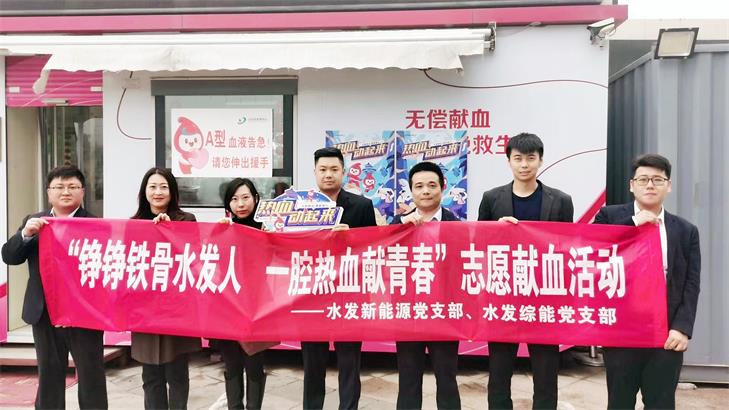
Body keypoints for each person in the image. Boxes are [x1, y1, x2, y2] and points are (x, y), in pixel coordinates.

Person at [594, 154, 700, 410]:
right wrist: (633, 224)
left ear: (668, 185)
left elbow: (691, 283)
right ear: (632, 185)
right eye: (643, 179)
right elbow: (594, 249)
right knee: (619, 403)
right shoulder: (609, 216)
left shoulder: (685, 231)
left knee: (661, 403)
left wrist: (682, 328)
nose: (650, 185)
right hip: (621, 332)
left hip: (665, 334)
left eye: (657, 179)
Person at [477, 133, 573, 410]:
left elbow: (567, 246)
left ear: (540, 161)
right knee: (499, 371)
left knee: (546, 372)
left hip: (544, 297)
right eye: (518, 158)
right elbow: (478, 245)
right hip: (503, 296)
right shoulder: (492, 198)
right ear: (508, 161)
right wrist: (497, 231)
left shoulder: (561, 200)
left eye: (531, 158)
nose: (524, 165)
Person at [2, 165, 108, 409]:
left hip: (84, 315)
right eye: (59, 187)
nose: (65, 192)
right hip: (44, 313)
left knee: (91, 374)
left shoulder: (96, 224)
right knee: (49, 373)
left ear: (83, 192)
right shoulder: (35, 222)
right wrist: (25, 235)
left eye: (72, 186)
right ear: (49, 192)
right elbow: (10, 256)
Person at [301, 147, 376, 410]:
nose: (328, 175)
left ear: (343, 172)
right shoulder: (302, 207)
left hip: (349, 294)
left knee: (349, 363)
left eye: (334, 169)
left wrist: (351, 239)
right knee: (312, 365)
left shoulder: (362, 206)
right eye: (323, 169)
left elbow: (374, 250)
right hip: (311, 295)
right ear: (314, 172)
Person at [130, 167, 201, 410]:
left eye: (163, 187)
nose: (158, 192)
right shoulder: (134, 223)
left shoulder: (186, 220)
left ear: (172, 192)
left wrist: (171, 231)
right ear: (144, 191)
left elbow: (194, 258)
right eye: (152, 187)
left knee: (177, 374)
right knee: (151, 376)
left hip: (176, 309)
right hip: (145, 310)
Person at [392, 161, 461, 410]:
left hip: (444, 312)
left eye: (432, 185)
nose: (426, 191)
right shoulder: (398, 223)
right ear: (411, 190)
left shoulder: (456, 225)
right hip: (409, 313)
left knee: (447, 377)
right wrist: (401, 229)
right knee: (408, 378)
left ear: (442, 187)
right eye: (419, 186)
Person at [214, 178, 267, 410]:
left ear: (255, 199)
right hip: (227, 309)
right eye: (234, 199)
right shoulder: (222, 229)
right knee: (232, 364)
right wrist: (217, 235)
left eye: (245, 197)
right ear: (228, 204)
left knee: (255, 365)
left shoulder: (267, 229)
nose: (241, 204)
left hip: (257, 309)